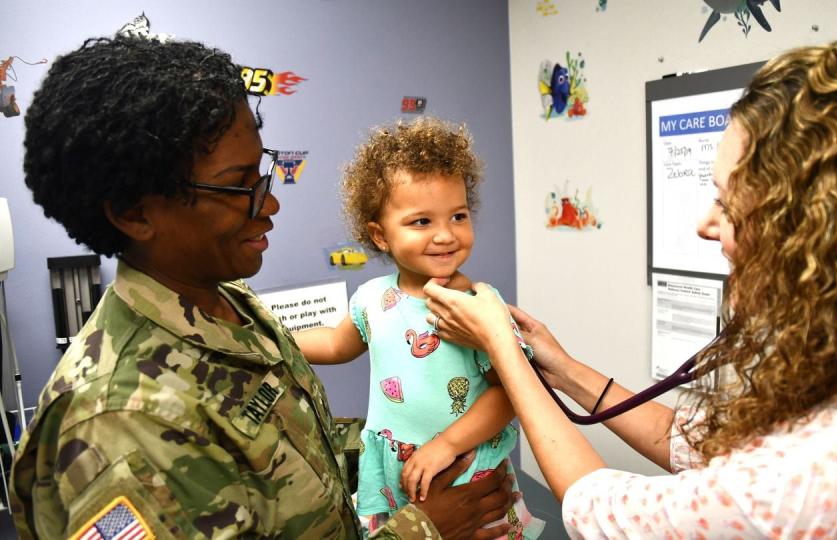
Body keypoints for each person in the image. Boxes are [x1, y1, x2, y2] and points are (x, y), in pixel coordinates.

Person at [423, 40, 837, 538]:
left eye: (726, 202)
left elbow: (596, 505)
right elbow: (699, 444)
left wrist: (502, 349)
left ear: (817, 233)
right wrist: (561, 368)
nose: (705, 224)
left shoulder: (827, 468)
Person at [11, 36, 516, 539]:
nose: (269, 204)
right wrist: (424, 529)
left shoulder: (229, 302)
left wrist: (398, 455)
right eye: (238, 184)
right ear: (134, 213)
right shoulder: (122, 426)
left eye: (263, 172)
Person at [294, 118, 544, 538]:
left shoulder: (479, 306)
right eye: (422, 222)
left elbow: (510, 393)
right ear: (380, 235)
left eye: (458, 216)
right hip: (396, 475)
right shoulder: (372, 297)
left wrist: (446, 445)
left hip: (463, 470)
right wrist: (273, 338)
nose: (446, 235)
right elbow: (336, 344)